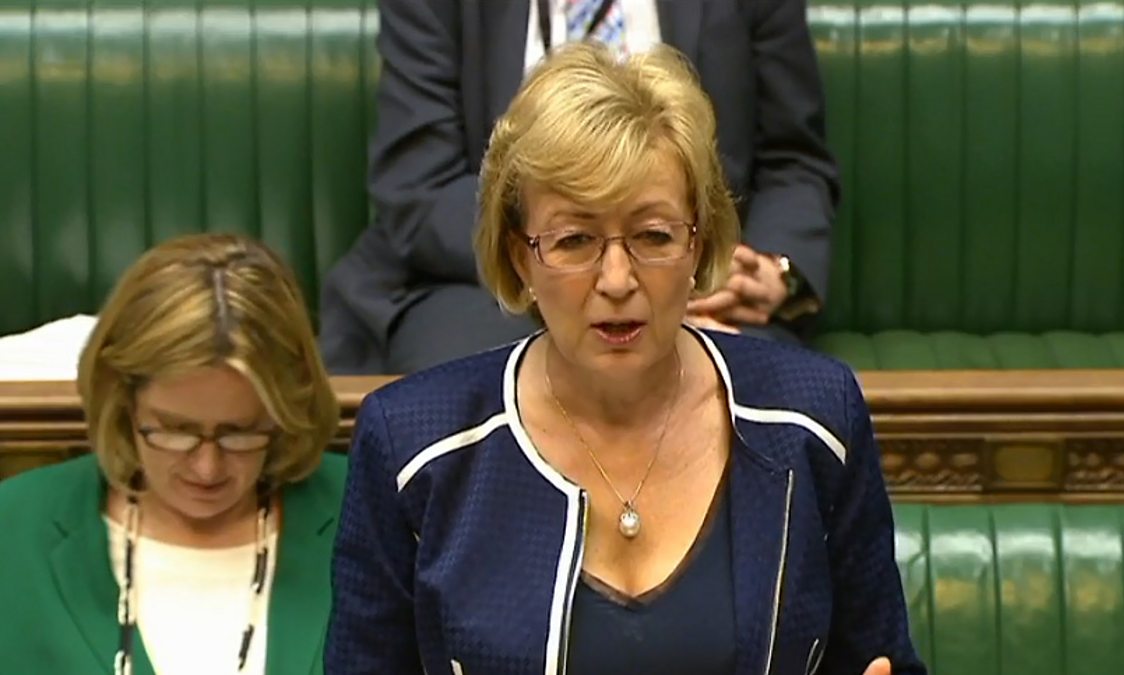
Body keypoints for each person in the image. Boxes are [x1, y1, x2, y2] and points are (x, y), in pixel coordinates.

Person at [325, 43, 923, 675]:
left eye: (653, 236)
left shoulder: (814, 420)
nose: (616, 279)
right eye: (575, 240)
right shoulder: (414, 448)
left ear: (699, 245)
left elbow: (883, 659)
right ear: (522, 258)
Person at [320, 0, 839, 374]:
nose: (614, 278)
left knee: (752, 385)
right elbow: (419, 185)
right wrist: (566, 266)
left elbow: (793, 160)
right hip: (489, 285)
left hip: (695, 279)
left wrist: (773, 270)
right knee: (481, 382)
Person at [0, 233, 346, 675]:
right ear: (123, 403)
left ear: (285, 413)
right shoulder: (15, 527)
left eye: (239, 434)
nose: (207, 468)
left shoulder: (371, 513)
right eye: (174, 431)